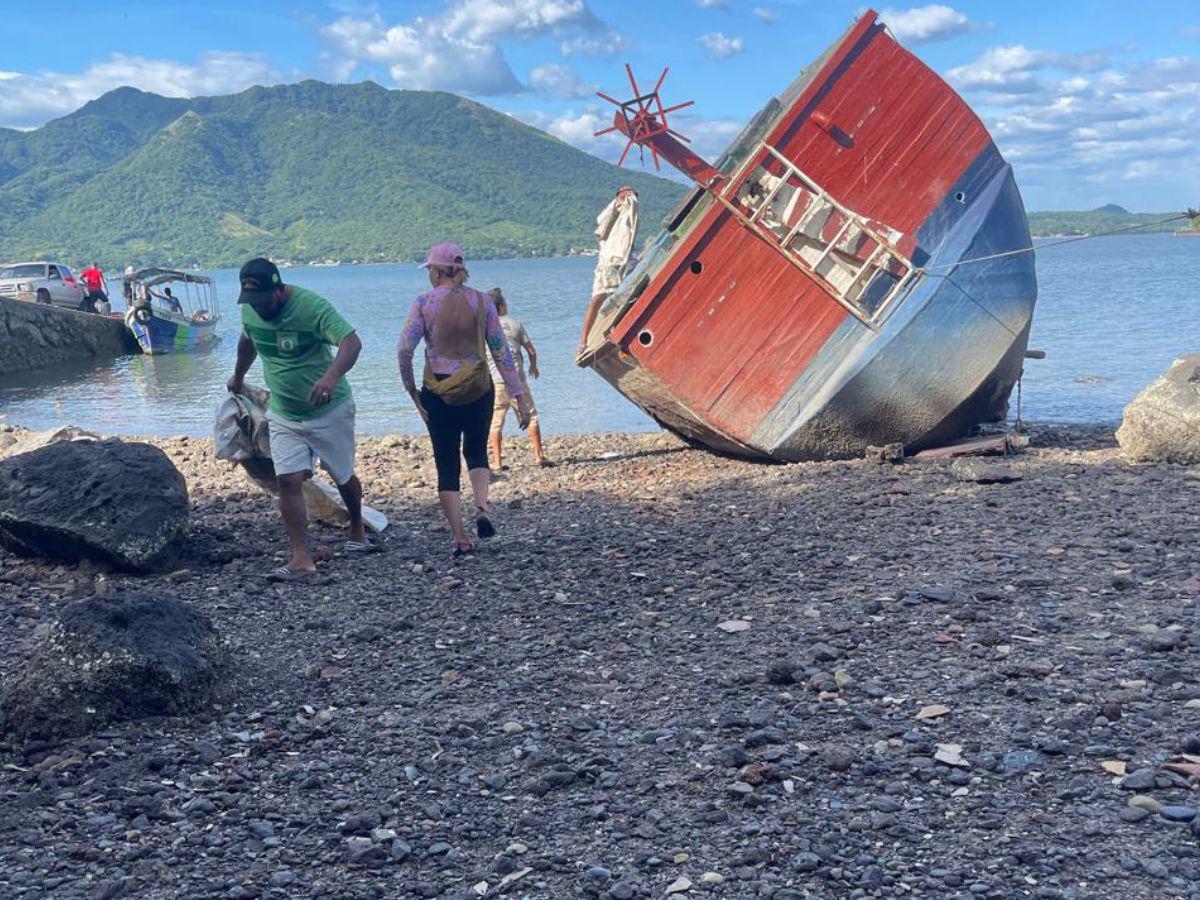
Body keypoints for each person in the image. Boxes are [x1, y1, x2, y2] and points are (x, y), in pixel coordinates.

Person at [226, 257, 369, 581]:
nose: (257, 307)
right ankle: (301, 558)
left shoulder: (311, 307)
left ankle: (358, 529)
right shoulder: (250, 310)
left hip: (330, 411)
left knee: (343, 476)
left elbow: (352, 342)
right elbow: (248, 340)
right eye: (251, 301)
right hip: (285, 413)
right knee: (288, 480)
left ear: (278, 289)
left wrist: (331, 378)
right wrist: (238, 376)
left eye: (262, 300)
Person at [397, 242, 530, 557]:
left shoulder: (424, 303)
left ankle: (460, 538)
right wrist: (519, 396)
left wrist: (411, 390)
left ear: (437, 270)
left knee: (446, 462)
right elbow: (502, 353)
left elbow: (404, 349)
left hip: (438, 392)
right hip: (477, 388)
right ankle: (482, 508)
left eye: (429, 268)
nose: (428, 273)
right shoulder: (483, 302)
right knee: (476, 451)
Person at [486, 287, 552, 469]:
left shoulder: (485, 327)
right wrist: (533, 365)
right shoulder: (515, 324)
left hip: (497, 379)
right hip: (517, 378)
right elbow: (531, 350)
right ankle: (539, 456)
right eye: (505, 303)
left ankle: (497, 462)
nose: (507, 305)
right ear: (499, 307)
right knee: (531, 415)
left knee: (496, 419)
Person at [578, 186, 638, 358]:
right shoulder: (610, 215)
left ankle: (619, 328)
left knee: (620, 295)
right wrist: (618, 202)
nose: (629, 197)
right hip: (607, 262)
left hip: (623, 260)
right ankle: (583, 340)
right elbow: (602, 223)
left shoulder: (628, 220)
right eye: (625, 194)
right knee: (597, 298)